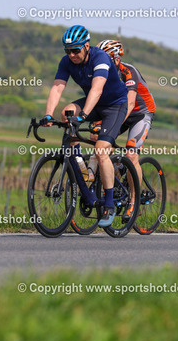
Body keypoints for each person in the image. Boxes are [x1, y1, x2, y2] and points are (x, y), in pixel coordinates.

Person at [41, 25, 129, 227]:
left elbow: (97, 90)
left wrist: (83, 117)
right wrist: (48, 114)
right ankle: (82, 171)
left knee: (101, 150)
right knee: (66, 114)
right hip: (94, 103)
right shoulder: (66, 62)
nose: (71, 55)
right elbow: (57, 88)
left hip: (115, 106)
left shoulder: (100, 58)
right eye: (67, 51)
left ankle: (109, 204)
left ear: (86, 46)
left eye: (75, 50)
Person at [96, 39, 156, 218]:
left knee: (131, 154)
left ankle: (134, 202)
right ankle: (114, 176)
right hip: (119, 111)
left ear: (116, 59)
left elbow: (130, 103)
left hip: (141, 113)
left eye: (106, 58)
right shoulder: (102, 74)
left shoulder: (129, 72)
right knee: (98, 139)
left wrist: (111, 124)